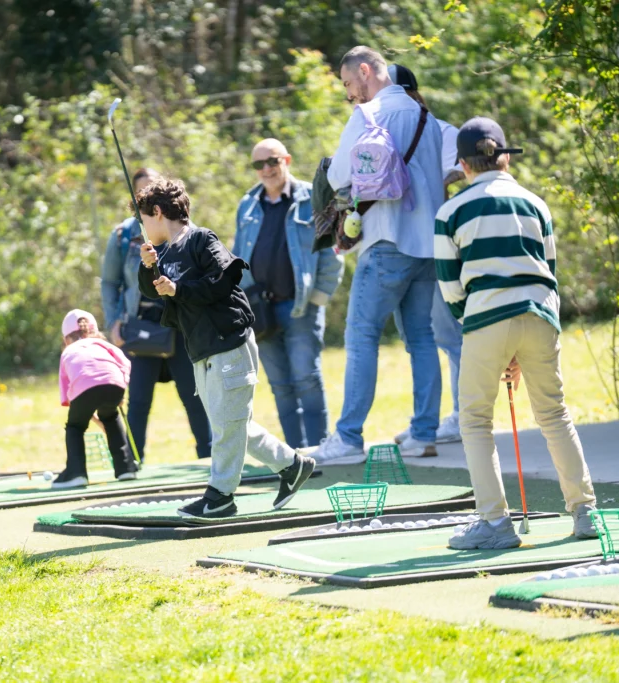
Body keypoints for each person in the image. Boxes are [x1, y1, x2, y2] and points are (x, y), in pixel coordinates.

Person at [436, 117, 597, 549]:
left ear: (464, 165)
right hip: (542, 314)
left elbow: (451, 290)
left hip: (486, 316)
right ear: (504, 157)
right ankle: (585, 511)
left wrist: (489, 337)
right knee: (554, 413)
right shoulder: (536, 203)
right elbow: (551, 269)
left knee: (473, 420)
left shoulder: (450, 211)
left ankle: (494, 522)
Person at [135, 177, 316, 518]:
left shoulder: (201, 239)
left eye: (144, 220)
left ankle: (220, 496)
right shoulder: (163, 252)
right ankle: (292, 466)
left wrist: (179, 290)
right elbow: (152, 291)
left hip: (228, 342)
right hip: (201, 349)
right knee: (232, 422)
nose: (144, 229)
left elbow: (225, 278)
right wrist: (148, 266)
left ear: (157, 212)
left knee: (226, 425)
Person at [313, 46, 444, 464]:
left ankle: (348, 436)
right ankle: (424, 432)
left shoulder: (369, 115)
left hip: (386, 240)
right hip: (428, 245)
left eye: (349, 84)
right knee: (422, 338)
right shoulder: (427, 117)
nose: (350, 94)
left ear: (366, 72)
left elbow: (338, 176)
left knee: (362, 336)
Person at [232, 138, 343, 448]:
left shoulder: (313, 197)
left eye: (273, 161)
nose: (266, 169)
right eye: (259, 164)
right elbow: (238, 255)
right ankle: (296, 454)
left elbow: (332, 252)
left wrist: (318, 296)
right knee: (280, 386)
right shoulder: (247, 204)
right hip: (259, 312)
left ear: (287, 160)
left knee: (306, 378)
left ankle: (320, 448)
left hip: (301, 307)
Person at [101, 167, 212, 461]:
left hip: (180, 324)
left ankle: (210, 459)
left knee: (194, 396)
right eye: (142, 192)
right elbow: (110, 281)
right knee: (137, 400)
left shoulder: (185, 230)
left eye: (154, 189)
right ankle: (129, 462)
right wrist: (113, 323)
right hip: (142, 325)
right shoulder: (124, 235)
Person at [387, 63, 464, 445]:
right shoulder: (379, 131)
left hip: (440, 245)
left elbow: (458, 170)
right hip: (407, 246)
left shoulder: (442, 130)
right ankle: (430, 422)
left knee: (449, 333)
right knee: (421, 335)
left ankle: (465, 416)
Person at [55, 309, 138, 489]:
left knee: (75, 427)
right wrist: (121, 391)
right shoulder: (104, 346)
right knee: (111, 417)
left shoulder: (68, 352)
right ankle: (126, 468)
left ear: (66, 339)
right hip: (114, 384)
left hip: (84, 391)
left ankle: (76, 474)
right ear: (95, 332)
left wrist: (82, 412)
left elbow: (68, 390)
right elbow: (125, 364)